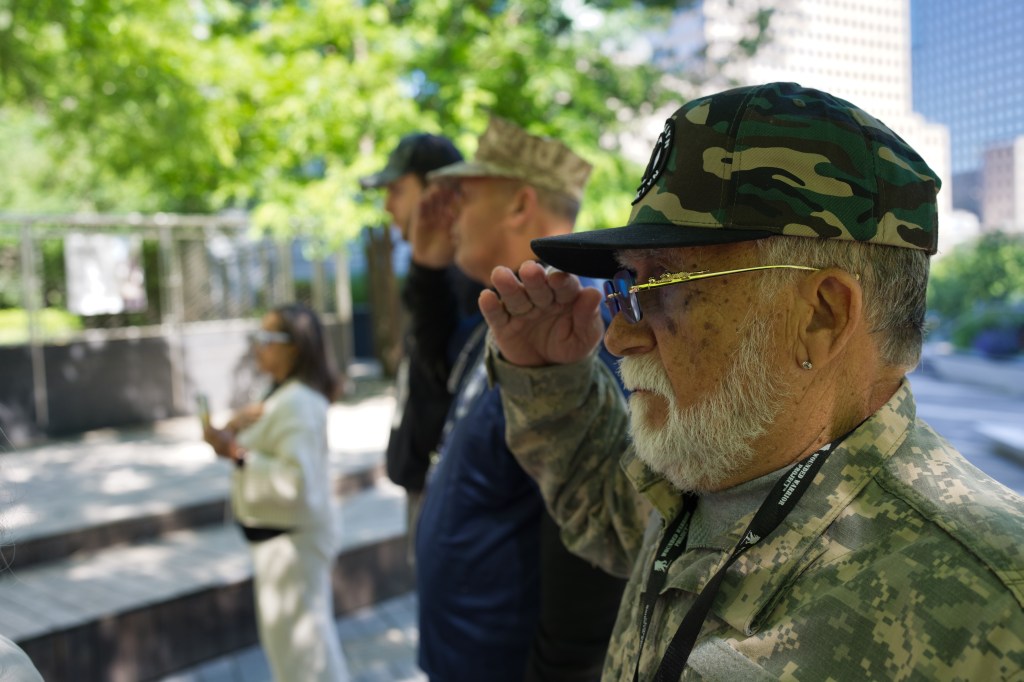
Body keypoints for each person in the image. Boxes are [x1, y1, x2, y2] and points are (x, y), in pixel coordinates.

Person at [480, 82, 1024, 680]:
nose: (619, 337)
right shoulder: (718, 462)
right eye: (630, 286)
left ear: (821, 316)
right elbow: (606, 507)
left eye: (664, 287)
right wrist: (547, 374)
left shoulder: (995, 611)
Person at [413, 116, 626, 682]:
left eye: (461, 197)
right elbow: (429, 389)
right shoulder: (515, 314)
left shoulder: (579, 327)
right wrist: (426, 273)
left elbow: (597, 537)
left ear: (519, 205)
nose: (449, 215)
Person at [203, 303, 350, 682]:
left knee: (307, 660)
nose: (258, 346)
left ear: (294, 347)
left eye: (267, 338)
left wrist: (236, 453)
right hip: (283, 546)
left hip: (293, 549)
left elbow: (296, 482)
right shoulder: (281, 393)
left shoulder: (298, 401)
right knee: (297, 655)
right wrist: (231, 432)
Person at [359, 133, 483, 561]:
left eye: (396, 190)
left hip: (449, 494)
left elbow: (447, 377)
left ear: (436, 193)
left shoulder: (467, 276)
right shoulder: (435, 274)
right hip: (428, 488)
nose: (387, 205)